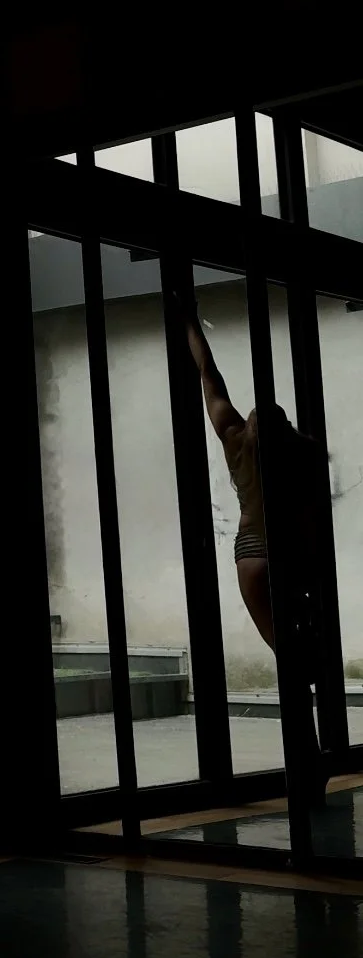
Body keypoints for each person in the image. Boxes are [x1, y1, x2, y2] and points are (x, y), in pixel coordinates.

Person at [178, 292, 325, 804]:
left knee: (289, 661)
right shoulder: (305, 456)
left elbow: (210, 382)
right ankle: (310, 760)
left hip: (253, 555)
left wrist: (192, 324)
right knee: (303, 660)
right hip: (296, 557)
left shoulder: (237, 444)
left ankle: (304, 763)